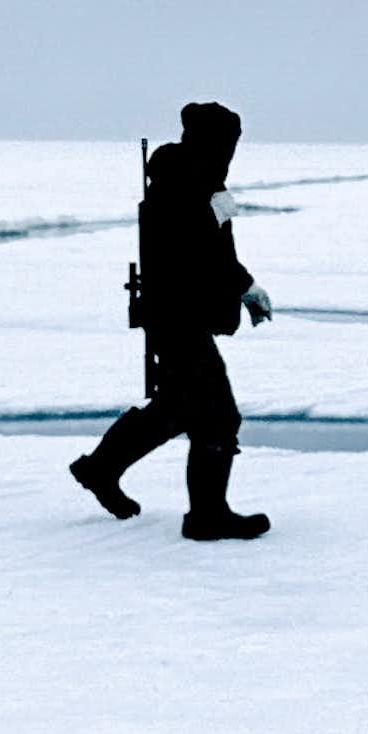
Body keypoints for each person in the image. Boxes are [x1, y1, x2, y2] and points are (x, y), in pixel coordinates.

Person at [70, 101, 275, 541]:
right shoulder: (188, 182)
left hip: (178, 315)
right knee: (219, 416)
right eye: (228, 141)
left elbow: (214, 254)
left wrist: (242, 287)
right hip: (179, 317)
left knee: (180, 406)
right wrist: (246, 286)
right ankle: (207, 516)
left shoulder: (194, 177)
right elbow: (204, 255)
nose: (232, 150)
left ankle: (100, 470)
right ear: (212, 140)